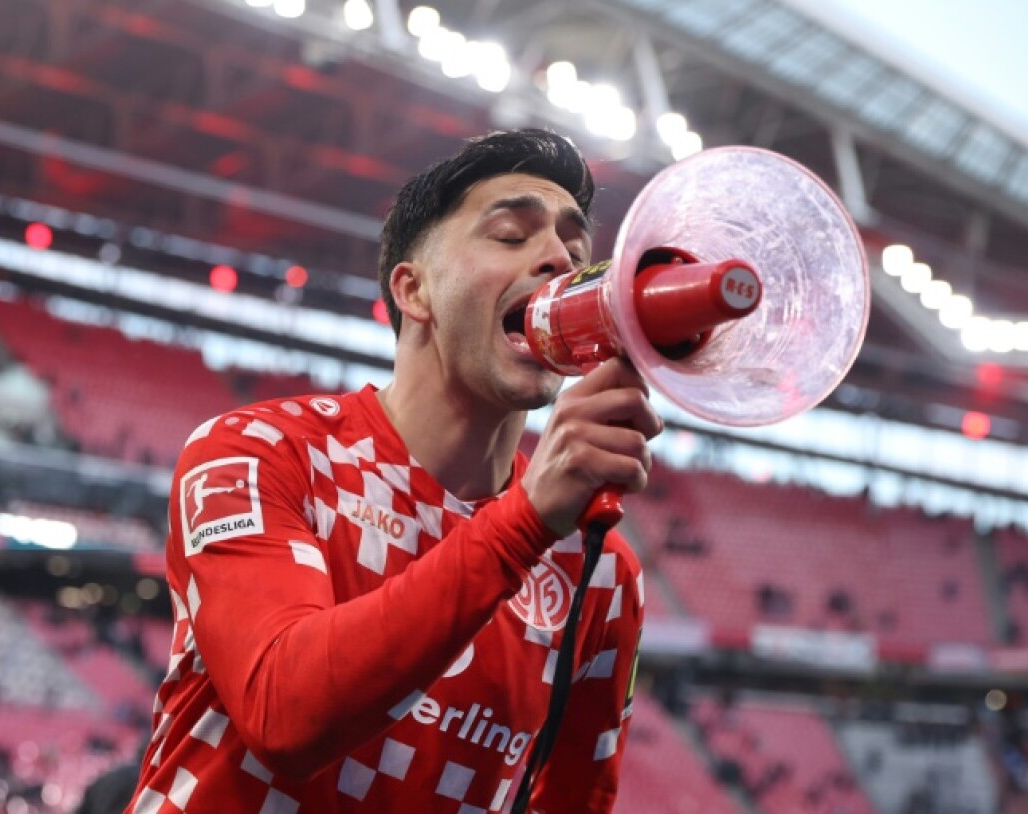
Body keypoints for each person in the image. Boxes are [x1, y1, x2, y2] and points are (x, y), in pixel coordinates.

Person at [125, 129, 660, 813]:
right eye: (509, 235)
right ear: (414, 291)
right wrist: (524, 521)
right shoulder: (256, 451)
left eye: (575, 247)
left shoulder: (603, 571)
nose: (559, 258)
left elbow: (574, 801)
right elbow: (283, 715)